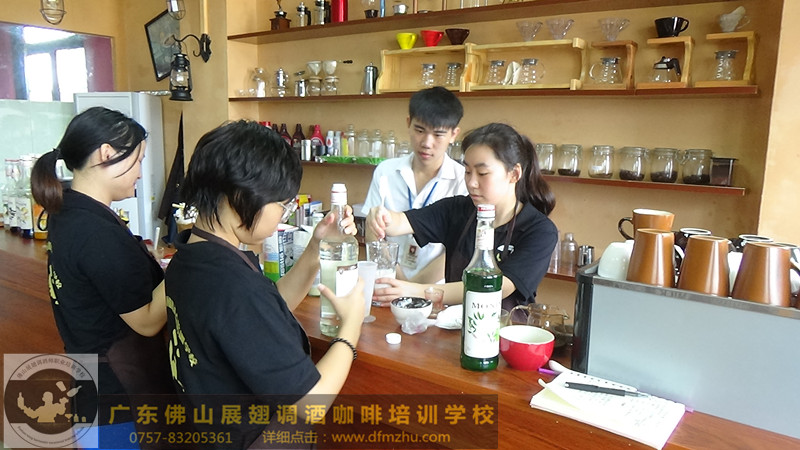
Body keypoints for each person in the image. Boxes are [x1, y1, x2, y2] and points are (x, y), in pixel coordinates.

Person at [164, 120, 364, 448]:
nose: (283, 214)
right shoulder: (233, 286)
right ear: (240, 196)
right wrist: (351, 326)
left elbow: (260, 315)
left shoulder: (189, 257)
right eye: (282, 205)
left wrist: (316, 247)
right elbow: (311, 403)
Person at [31, 106, 173, 446]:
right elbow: (147, 322)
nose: (140, 173)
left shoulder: (68, 211)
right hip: (119, 399)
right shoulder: (95, 232)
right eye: (138, 161)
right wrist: (188, 265)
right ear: (106, 153)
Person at [367, 122, 558, 311]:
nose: (471, 182)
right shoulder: (457, 209)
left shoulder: (539, 230)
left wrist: (416, 291)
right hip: (452, 325)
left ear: (514, 174)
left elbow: (499, 287)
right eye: (467, 172)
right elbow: (400, 222)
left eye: (482, 173)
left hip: (506, 328)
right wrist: (381, 217)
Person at [361, 86, 467, 285]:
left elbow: (460, 248)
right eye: (419, 130)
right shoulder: (386, 172)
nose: (427, 143)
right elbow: (372, 231)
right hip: (388, 283)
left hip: (438, 290)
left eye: (438, 134)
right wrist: (398, 282)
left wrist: (413, 289)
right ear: (408, 123)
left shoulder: (463, 180)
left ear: (454, 134)